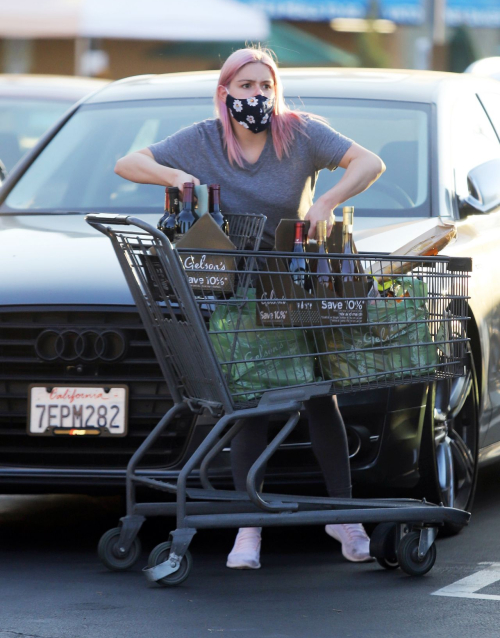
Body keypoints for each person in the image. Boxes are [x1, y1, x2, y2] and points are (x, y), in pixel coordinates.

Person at [115, 47, 386, 570]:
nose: (256, 96)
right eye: (245, 87)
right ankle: (249, 527)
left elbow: (369, 162)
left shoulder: (300, 133)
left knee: (318, 396)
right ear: (225, 93)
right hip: (235, 292)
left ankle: (344, 517)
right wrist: (174, 178)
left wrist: (325, 202)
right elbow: (129, 162)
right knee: (251, 403)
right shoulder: (202, 139)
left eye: (265, 86)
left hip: (296, 285)